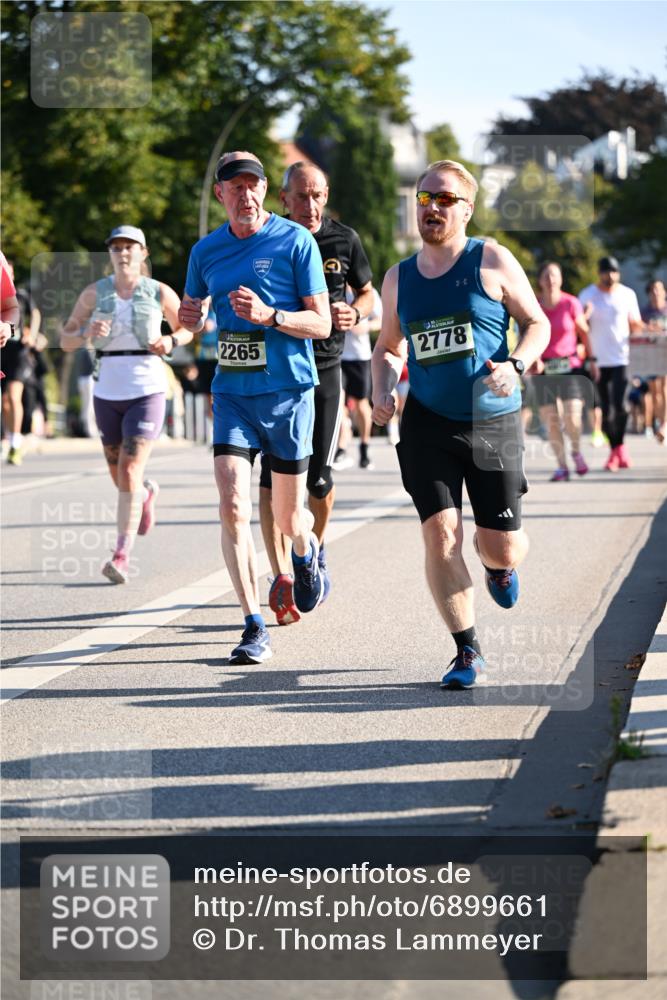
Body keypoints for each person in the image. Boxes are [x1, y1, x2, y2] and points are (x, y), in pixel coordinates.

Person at [371, 160, 550, 690]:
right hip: (426, 422)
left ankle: (500, 567)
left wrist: (515, 364)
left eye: (444, 199)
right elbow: (388, 347)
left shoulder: (490, 258)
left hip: (491, 422)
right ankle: (467, 650)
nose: (431, 207)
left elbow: (537, 322)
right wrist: (383, 387)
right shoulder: (398, 278)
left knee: (500, 545)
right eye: (425, 198)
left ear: (467, 209)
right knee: (441, 534)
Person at [178, 151, 331, 663]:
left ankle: (306, 556)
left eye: (253, 185)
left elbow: (323, 324)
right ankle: (251, 623)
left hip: (289, 394)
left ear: (265, 191)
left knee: (289, 519)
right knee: (233, 506)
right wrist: (192, 319)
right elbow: (196, 318)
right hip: (233, 396)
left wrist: (271, 315)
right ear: (219, 195)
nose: (245, 195)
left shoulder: (296, 242)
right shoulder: (205, 252)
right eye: (234, 187)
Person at [257, 162, 375, 625]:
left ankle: (315, 551)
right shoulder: (266, 240)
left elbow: (367, 293)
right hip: (277, 373)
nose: (311, 205)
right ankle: (283, 573)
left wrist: (355, 311)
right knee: (270, 483)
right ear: (283, 199)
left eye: (318, 196)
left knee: (318, 482)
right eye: (301, 196)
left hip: (325, 368)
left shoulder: (344, 239)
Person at [60, 225, 191, 583]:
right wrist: (85, 334)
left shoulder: (157, 291)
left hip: (147, 388)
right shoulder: (94, 293)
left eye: (130, 247)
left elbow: (187, 327)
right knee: (120, 477)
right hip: (107, 391)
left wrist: (170, 340)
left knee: (130, 470)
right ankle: (145, 494)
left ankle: (121, 553)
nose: (122, 253)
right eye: (116, 248)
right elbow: (66, 338)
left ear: (143, 253)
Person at [532, 261, 597, 481]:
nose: (551, 280)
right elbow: (527, 334)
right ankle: (562, 466)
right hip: (544, 367)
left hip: (570, 366)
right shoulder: (534, 305)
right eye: (547, 276)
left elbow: (584, 332)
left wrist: (592, 358)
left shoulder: (571, 303)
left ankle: (576, 452)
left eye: (555, 275)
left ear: (561, 279)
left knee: (572, 415)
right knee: (550, 419)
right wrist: (534, 358)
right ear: (540, 281)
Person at [579, 256, 643, 471]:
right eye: (607, 272)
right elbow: (579, 327)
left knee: (621, 405)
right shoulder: (588, 295)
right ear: (600, 273)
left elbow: (635, 324)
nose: (611, 276)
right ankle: (616, 451)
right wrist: (585, 317)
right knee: (605, 409)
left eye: (615, 272)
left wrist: (641, 327)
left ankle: (619, 448)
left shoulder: (627, 294)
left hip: (621, 358)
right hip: (597, 360)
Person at [339, 285, 382, 468]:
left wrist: (364, 326)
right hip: (337, 356)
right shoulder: (333, 287)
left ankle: (364, 446)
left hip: (359, 356)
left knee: (361, 403)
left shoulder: (367, 292)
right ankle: (341, 448)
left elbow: (381, 321)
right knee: (337, 403)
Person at [1, 256, 36, 464]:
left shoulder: (22, 296)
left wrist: (30, 333)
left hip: (18, 352)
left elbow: (35, 314)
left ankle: (15, 442)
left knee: (13, 397)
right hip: (3, 352)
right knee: (4, 402)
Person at [640, 279, 667, 443]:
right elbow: (637, 329)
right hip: (650, 356)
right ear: (649, 294)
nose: (656, 292)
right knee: (655, 393)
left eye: (659, 289)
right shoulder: (645, 312)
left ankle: (664, 424)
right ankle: (659, 422)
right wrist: (647, 328)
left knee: (665, 389)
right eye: (652, 290)